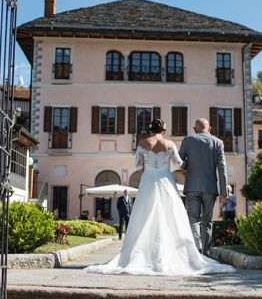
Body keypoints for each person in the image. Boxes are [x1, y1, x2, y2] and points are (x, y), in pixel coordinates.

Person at [84, 119, 234, 276]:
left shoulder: (142, 143)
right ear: (163, 130)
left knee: (146, 216)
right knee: (174, 217)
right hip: (168, 181)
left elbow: (138, 164)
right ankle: (198, 252)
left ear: (150, 130)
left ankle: (147, 253)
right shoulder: (170, 144)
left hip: (149, 181)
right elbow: (179, 163)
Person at [178, 118, 228, 255]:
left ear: (195, 129)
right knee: (207, 222)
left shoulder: (188, 140)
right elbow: (222, 168)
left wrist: (188, 165)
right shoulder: (218, 143)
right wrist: (224, 192)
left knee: (193, 219)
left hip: (192, 187)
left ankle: (196, 251)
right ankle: (205, 253)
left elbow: (179, 162)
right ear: (209, 128)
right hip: (210, 188)